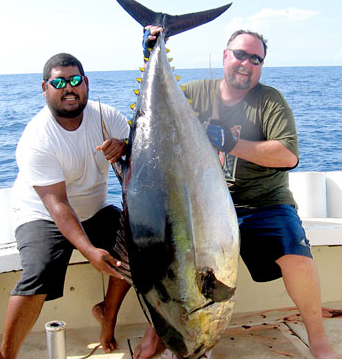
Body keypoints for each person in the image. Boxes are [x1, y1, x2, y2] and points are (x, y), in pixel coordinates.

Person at [133, 27, 340, 359]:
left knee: (296, 255)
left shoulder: (269, 101)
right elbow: (157, 120)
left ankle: (318, 340)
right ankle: (159, 331)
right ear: (225, 55)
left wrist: (230, 142)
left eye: (256, 59)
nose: (247, 64)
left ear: (261, 66)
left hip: (263, 204)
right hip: (202, 208)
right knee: (161, 256)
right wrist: (152, 52)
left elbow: (287, 156)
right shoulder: (193, 94)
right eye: (241, 55)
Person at [0, 53, 131, 359]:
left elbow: (138, 151)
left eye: (74, 80)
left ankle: (106, 316)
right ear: (45, 88)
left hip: (94, 211)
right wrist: (89, 250)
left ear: (86, 84)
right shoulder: (37, 137)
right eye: (58, 82)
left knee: (135, 247)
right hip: (41, 215)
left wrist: (125, 146)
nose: (68, 88)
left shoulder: (107, 117)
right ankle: (6, 356)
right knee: (40, 271)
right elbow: (57, 205)